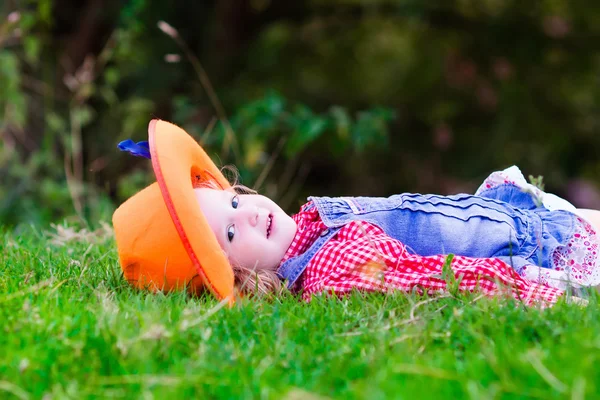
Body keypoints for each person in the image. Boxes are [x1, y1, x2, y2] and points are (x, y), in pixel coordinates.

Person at [113, 119, 598, 307]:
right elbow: (434, 276)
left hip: (520, 217)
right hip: (541, 250)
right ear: (241, 279)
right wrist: (538, 292)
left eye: (234, 202)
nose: (249, 214)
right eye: (231, 234)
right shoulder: (330, 267)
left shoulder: (309, 228)